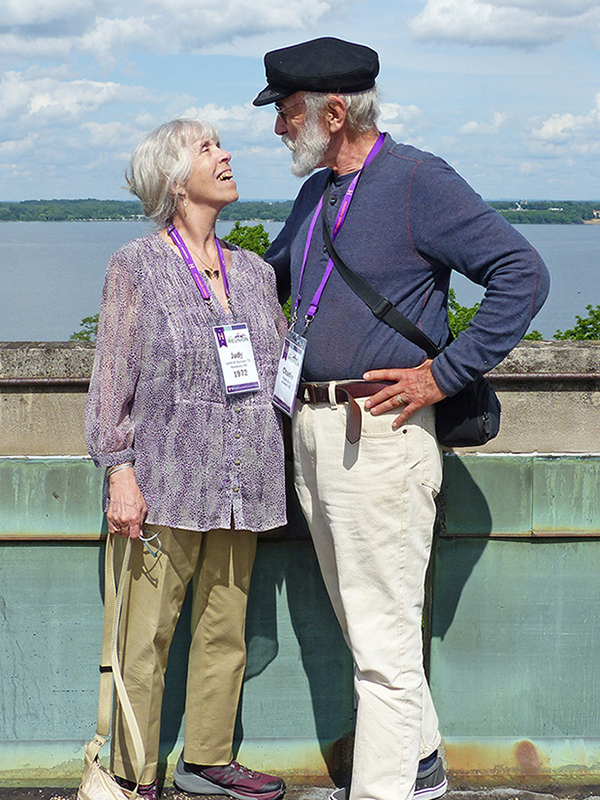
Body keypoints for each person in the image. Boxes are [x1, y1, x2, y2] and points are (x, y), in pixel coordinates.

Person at [253, 37, 550, 800]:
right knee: (367, 625)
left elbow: (522, 273)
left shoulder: (419, 180)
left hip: (378, 435)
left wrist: (441, 375)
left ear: (334, 110)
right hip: (316, 433)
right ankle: (421, 768)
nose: (280, 128)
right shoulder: (317, 193)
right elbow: (269, 280)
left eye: (286, 113)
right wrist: (182, 241)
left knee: (382, 645)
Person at [85, 118, 287, 800]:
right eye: (208, 148)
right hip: (165, 483)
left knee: (226, 629)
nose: (226, 155)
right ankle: (130, 774)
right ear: (176, 180)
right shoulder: (136, 265)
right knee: (144, 642)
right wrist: (120, 471)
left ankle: (205, 759)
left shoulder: (255, 272)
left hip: (243, 483)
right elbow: (113, 379)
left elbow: (279, 370)